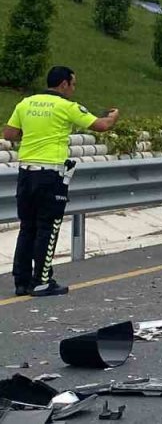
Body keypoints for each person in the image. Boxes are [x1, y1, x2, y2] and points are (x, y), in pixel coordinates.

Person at [4, 66, 119, 297]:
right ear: (64, 84)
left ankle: (21, 281)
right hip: (50, 175)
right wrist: (113, 116)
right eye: (73, 84)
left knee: (27, 227)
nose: (73, 89)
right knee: (48, 227)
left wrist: (34, 133)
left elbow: (9, 134)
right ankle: (42, 281)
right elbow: (102, 126)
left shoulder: (26, 103)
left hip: (26, 174)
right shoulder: (67, 107)